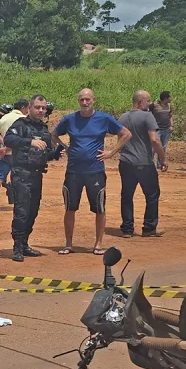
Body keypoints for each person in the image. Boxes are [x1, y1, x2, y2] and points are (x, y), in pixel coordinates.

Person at [52, 88, 131, 255]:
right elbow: (53, 134)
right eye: (82, 99)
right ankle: (68, 244)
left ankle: (98, 245)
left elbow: (126, 134)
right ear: (78, 101)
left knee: (99, 208)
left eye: (88, 99)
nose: (85, 102)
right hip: (73, 171)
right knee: (70, 208)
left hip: (95, 171)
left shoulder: (104, 118)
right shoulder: (70, 119)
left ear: (93, 100)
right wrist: (65, 147)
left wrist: (111, 153)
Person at [3, 94, 65, 262]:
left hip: (37, 176)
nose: (40, 110)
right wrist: (29, 142)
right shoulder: (21, 124)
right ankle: (17, 248)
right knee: (21, 212)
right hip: (21, 175)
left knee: (33, 212)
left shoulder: (43, 129)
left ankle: (24, 244)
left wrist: (57, 152)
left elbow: (47, 153)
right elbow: (8, 139)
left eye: (43, 108)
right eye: (37, 107)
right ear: (29, 108)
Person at [118, 91, 167, 238]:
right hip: (144, 163)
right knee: (152, 195)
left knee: (127, 195)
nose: (150, 103)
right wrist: (163, 158)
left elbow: (119, 140)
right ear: (140, 102)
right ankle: (149, 227)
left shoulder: (122, 117)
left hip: (126, 162)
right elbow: (155, 140)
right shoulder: (147, 116)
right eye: (148, 101)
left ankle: (127, 229)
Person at [0, 99, 29, 212]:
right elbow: (23, 139)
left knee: (0, 178)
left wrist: (5, 146)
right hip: (18, 155)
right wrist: (9, 147)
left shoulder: (4, 118)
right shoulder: (24, 120)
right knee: (22, 180)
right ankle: (22, 205)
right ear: (23, 108)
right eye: (27, 108)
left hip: (4, 155)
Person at [149, 91, 172, 168]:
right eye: (169, 97)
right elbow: (149, 114)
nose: (170, 99)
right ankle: (150, 163)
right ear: (165, 98)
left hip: (166, 129)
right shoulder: (154, 105)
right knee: (154, 146)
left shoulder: (169, 106)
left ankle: (160, 164)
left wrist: (171, 125)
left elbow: (170, 116)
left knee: (163, 147)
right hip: (156, 129)